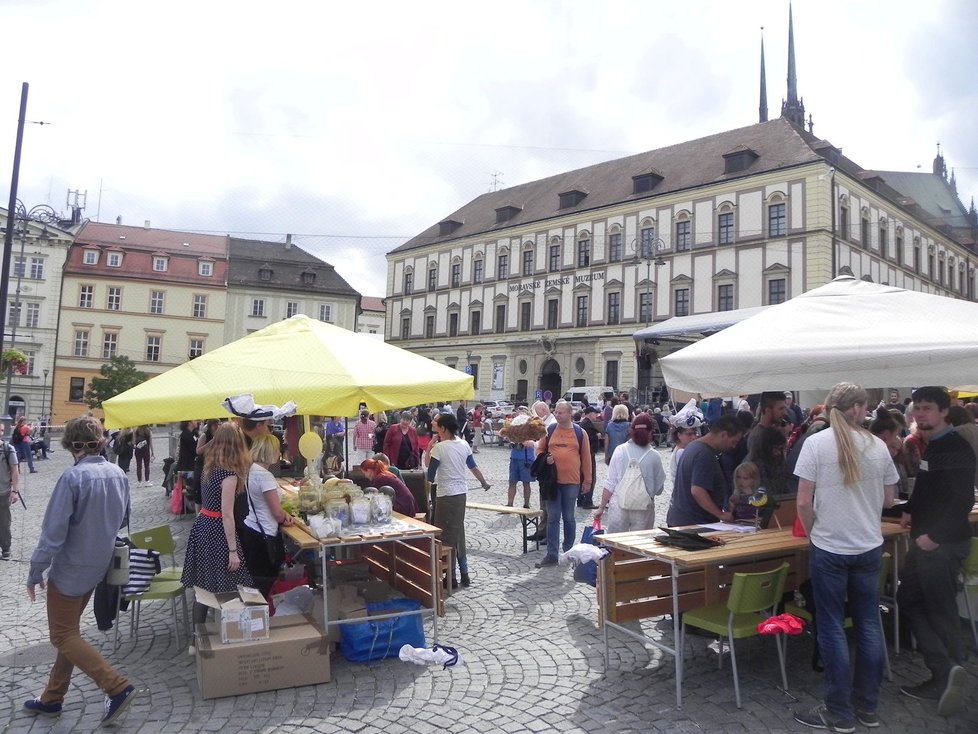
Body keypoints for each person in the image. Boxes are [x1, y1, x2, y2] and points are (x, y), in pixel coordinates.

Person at [792, 382, 898, 732]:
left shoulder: (816, 444)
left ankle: (839, 711)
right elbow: (888, 500)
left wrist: (813, 534)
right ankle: (867, 707)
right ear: (860, 408)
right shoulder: (878, 446)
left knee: (832, 626)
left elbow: (804, 502)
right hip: (868, 545)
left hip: (830, 546)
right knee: (868, 624)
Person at [23, 415, 137, 726]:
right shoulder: (117, 473)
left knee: (62, 635)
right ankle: (52, 698)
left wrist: (35, 572)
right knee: (69, 633)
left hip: (71, 568)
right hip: (97, 565)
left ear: (72, 446)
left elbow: (53, 533)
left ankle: (116, 686)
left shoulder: (72, 478)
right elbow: (124, 518)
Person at [896, 386, 975, 716]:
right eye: (916, 408)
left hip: (939, 543)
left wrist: (935, 536)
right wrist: (908, 509)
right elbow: (930, 491)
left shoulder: (953, 447)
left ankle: (949, 673)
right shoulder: (934, 447)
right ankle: (944, 669)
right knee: (909, 599)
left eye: (926, 408)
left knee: (939, 609)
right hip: (926, 539)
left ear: (944, 411)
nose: (919, 414)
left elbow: (960, 499)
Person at [181, 423, 254, 629]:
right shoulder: (229, 474)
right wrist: (233, 550)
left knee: (204, 587)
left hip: (203, 525)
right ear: (237, 444)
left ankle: (198, 639)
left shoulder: (210, 467)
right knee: (229, 584)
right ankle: (231, 633)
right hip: (217, 531)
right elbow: (227, 515)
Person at [424, 412, 490, 588]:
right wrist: (483, 482)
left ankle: (451, 578)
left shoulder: (440, 448)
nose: (435, 426)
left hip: (445, 495)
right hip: (461, 494)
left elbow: (430, 474)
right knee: (458, 533)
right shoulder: (463, 445)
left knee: (445, 537)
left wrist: (426, 495)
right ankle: (464, 574)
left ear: (444, 428)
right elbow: (473, 466)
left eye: (438, 425)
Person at [534, 400, 592, 568]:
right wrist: (545, 458)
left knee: (569, 517)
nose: (557, 414)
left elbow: (586, 459)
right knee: (552, 517)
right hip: (552, 482)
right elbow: (539, 450)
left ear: (569, 414)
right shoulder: (550, 430)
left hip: (572, 482)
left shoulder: (580, 433)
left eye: (560, 412)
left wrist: (587, 481)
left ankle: (568, 552)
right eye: (556, 412)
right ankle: (552, 554)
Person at [666, 413, 745, 526]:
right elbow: (698, 491)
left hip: (683, 520)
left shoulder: (694, 447)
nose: (733, 446)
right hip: (694, 523)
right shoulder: (704, 454)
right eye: (734, 441)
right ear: (723, 435)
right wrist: (720, 514)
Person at [239, 433, 293, 598]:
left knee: (255, 584)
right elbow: (276, 512)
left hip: (252, 528)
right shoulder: (265, 476)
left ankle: (257, 616)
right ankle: (263, 618)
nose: (279, 453)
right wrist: (286, 516)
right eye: (277, 449)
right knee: (264, 584)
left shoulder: (252, 470)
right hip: (264, 536)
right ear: (270, 451)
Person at [595, 414, 664, 532]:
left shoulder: (620, 451)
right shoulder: (654, 456)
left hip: (619, 506)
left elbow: (610, 483)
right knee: (639, 546)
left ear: (631, 430)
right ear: (651, 432)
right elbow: (658, 490)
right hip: (644, 509)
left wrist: (601, 507)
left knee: (616, 545)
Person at [0, 424, 21, 560]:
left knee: (3, 523)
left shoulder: (8, 449)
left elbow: (15, 471)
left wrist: (15, 491)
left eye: (2, 430)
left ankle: (6, 549)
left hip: (3, 492)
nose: (1, 433)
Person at [578, 405, 602, 508]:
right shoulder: (587, 424)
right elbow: (589, 439)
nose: (596, 415)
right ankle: (587, 501)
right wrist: (597, 436)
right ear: (590, 413)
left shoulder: (583, 423)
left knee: (582, 477)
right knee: (590, 477)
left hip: (583, 454)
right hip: (589, 454)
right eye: (595, 413)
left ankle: (580, 500)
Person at [176, 420, 199, 500]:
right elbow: (194, 449)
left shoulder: (192, 433)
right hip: (187, 466)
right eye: (195, 420)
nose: (197, 422)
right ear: (189, 423)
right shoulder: (186, 434)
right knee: (192, 485)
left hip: (190, 464)